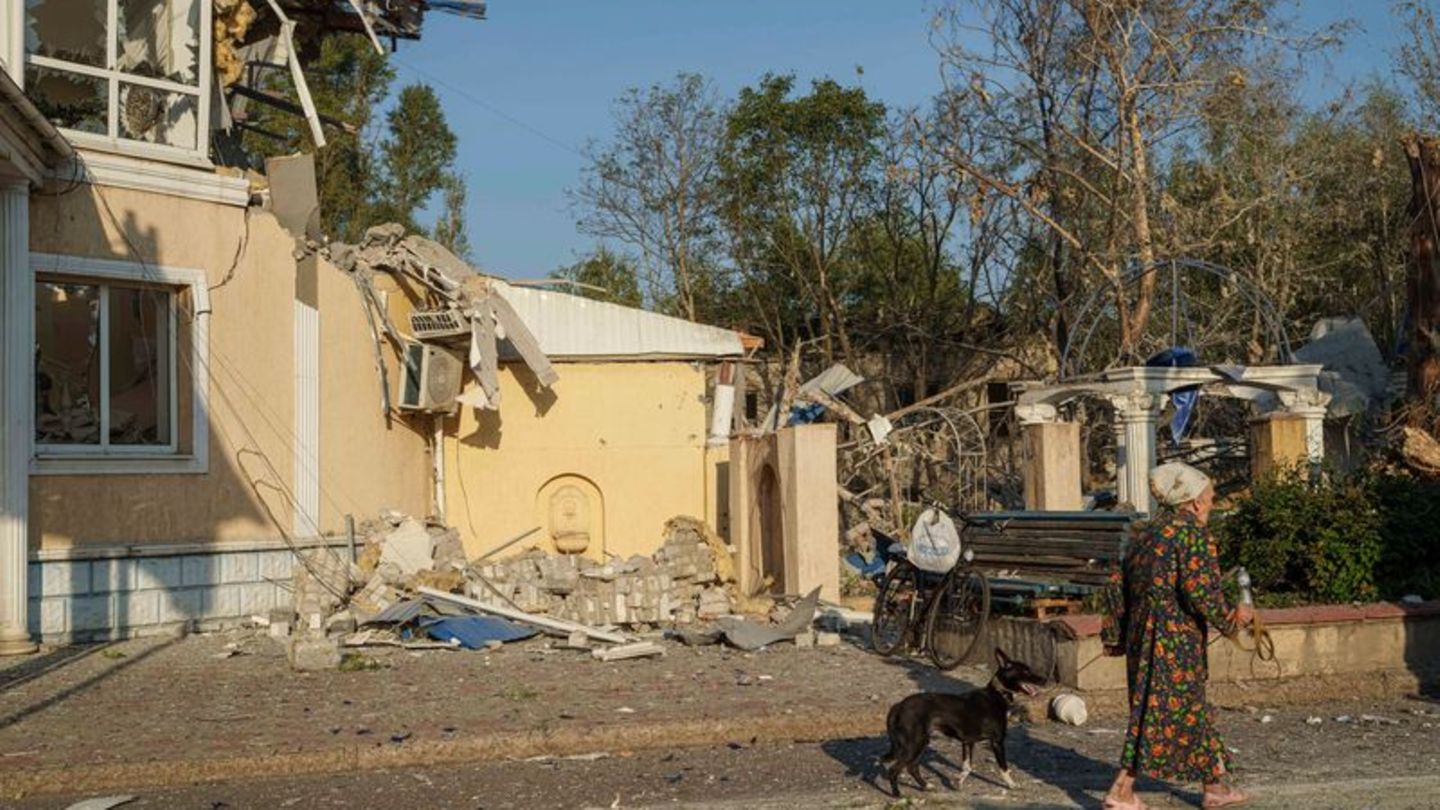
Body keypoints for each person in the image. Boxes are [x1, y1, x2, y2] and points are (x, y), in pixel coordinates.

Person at [1100, 462, 1254, 809]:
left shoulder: (1145, 536)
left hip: (1144, 636)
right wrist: (1232, 619)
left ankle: (1215, 787)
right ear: (1196, 502)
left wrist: (1117, 636)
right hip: (1174, 639)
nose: (1212, 506)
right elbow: (1200, 591)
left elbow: (1116, 587)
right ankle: (1121, 790)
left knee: (1189, 708)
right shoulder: (1190, 533)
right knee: (1156, 712)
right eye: (1211, 499)